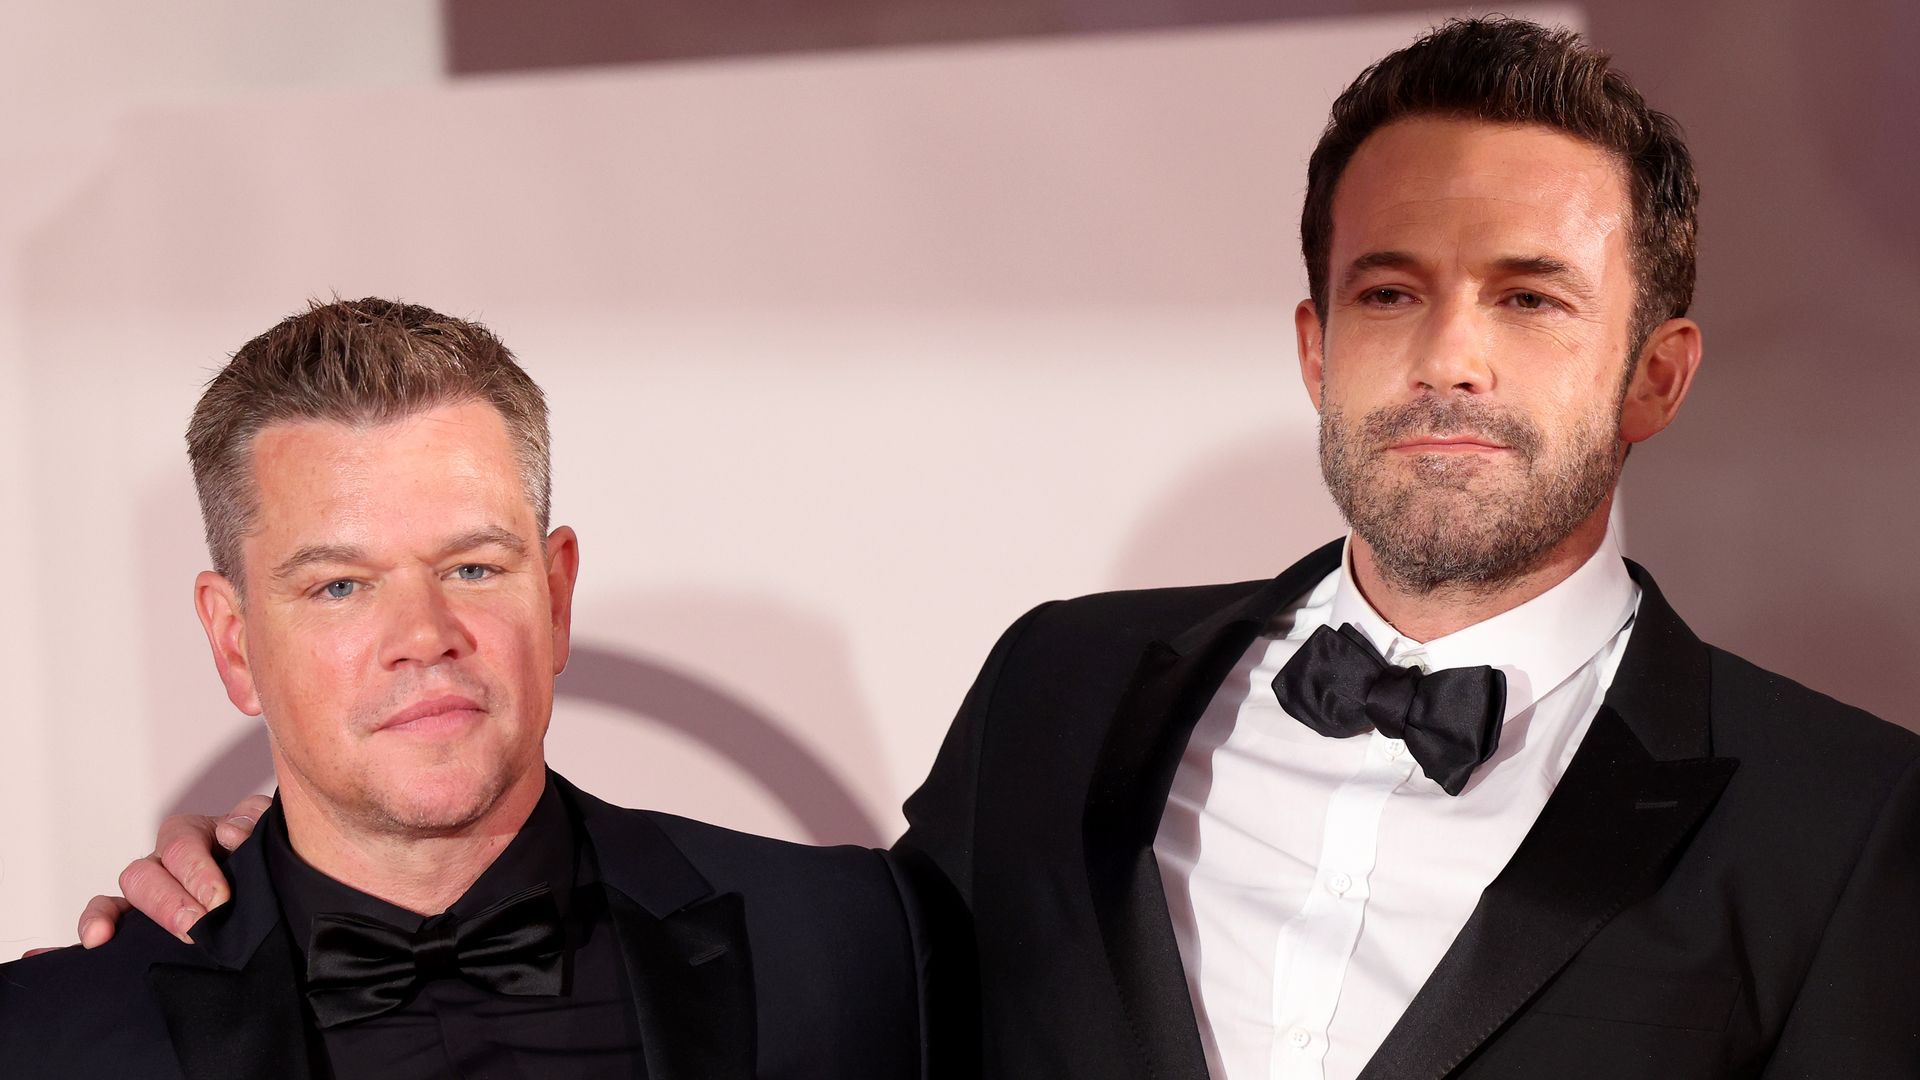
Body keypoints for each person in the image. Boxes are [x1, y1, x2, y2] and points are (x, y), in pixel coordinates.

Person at [82, 16, 1920, 1080]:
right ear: (1312, 343)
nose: (1447, 354)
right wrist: (269, 900)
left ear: (1659, 371)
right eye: (1389, 290)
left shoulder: (1850, 830)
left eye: (1529, 298)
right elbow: (761, 972)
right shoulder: (1063, 690)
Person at [0, 299, 926, 1080]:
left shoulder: (855, 943)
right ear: (234, 642)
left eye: (474, 568)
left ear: (556, 595)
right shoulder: (52, 1038)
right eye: (340, 586)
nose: (424, 638)